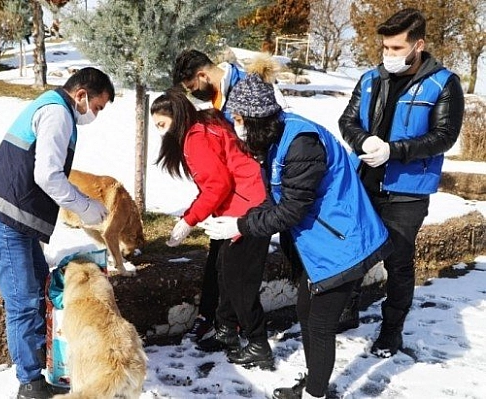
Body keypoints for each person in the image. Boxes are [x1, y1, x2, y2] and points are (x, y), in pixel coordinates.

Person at [203, 73, 392, 399]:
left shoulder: (301, 143)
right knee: (306, 312)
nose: (237, 127)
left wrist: (241, 226)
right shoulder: (276, 139)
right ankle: (315, 383)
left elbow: (291, 211)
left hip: (343, 242)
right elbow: (277, 197)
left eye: (238, 119)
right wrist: (242, 218)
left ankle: (315, 393)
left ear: (256, 118)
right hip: (322, 241)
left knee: (318, 324)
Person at [0, 67, 115, 399]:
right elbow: (48, 176)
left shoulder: (55, 108)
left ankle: (45, 367)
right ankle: (30, 383)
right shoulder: (56, 113)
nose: (95, 114)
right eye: (98, 106)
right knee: (23, 302)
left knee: (39, 288)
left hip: (14, 222)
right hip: (5, 223)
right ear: (82, 95)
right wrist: (86, 207)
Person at [338, 8, 464, 357]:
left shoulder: (443, 82)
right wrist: (362, 141)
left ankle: (391, 329)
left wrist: (394, 150)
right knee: (354, 252)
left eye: (396, 48)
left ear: (418, 45)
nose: (388, 55)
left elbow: (444, 136)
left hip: (407, 190)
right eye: (385, 48)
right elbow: (347, 119)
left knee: (398, 262)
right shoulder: (369, 79)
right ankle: (346, 312)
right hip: (364, 182)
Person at [151, 87, 274, 369]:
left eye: (162, 124)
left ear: (177, 116)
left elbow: (217, 185)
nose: (160, 132)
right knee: (223, 272)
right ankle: (226, 332)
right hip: (245, 203)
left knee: (240, 282)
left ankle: (258, 344)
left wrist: (188, 220)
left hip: (247, 209)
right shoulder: (207, 121)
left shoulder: (195, 138)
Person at [171, 49, 286, 343]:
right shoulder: (217, 99)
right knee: (219, 262)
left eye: (192, 88)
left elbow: (275, 134)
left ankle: (247, 334)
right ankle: (216, 320)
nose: (194, 94)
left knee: (241, 272)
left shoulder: (249, 87)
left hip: (255, 195)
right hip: (229, 199)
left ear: (202, 75)